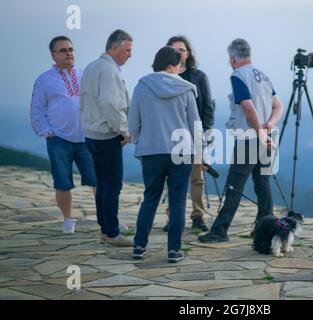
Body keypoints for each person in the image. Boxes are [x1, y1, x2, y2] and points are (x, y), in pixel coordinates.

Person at [198, 38, 284, 243]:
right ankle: (266, 228)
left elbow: (247, 107)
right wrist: (269, 125)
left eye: (230, 60)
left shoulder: (238, 76)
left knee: (234, 185)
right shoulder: (263, 76)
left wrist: (260, 133)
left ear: (233, 58)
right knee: (262, 183)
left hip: (249, 138)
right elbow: (278, 106)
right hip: (265, 137)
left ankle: (220, 230)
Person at [129, 46, 206, 262]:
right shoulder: (186, 89)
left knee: (150, 199)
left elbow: (133, 122)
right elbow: (195, 126)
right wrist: (202, 155)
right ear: (172, 65)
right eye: (179, 65)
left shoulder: (142, 86)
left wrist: (140, 142)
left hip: (151, 151)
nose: (181, 69)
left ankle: (139, 246)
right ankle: (173, 250)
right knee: (178, 201)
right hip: (181, 152)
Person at [30, 36, 96, 234]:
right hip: (59, 139)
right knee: (63, 182)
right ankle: (68, 219)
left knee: (99, 180)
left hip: (86, 138)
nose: (69, 53)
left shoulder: (85, 74)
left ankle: (107, 218)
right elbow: (37, 109)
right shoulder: (44, 79)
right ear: (53, 54)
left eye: (70, 49)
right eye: (63, 50)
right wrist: (46, 131)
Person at [80, 30, 133, 247]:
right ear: (114, 47)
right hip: (106, 136)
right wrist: (124, 131)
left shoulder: (92, 66)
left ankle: (105, 229)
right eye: (127, 50)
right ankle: (112, 233)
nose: (130, 55)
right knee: (112, 185)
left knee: (102, 184)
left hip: (91, 135)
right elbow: (110, 105)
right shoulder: (109, 70)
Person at [162, 36, 215, 233]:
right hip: (171, 136)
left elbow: (208, 107)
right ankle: (172, 217)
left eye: (181, 49)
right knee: (174, 179)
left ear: (188, 53)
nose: (178, 53)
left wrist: (206, 134)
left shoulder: (199, 76)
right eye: (174, 49)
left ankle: (198, 216)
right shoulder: (164, 76)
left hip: (195, 135)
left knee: (197, 178)